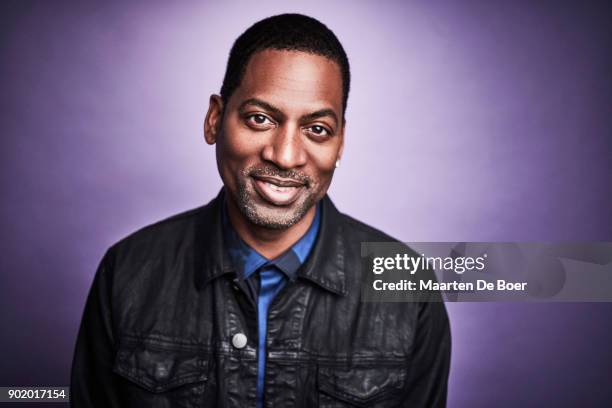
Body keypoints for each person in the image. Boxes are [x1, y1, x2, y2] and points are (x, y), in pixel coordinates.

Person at [70, 13, 451, 407]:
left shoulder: (410, 292)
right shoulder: (127, 271)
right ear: (215, 119)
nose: (285, 156)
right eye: (260, 119)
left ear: (340, 144)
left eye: (317, 129)